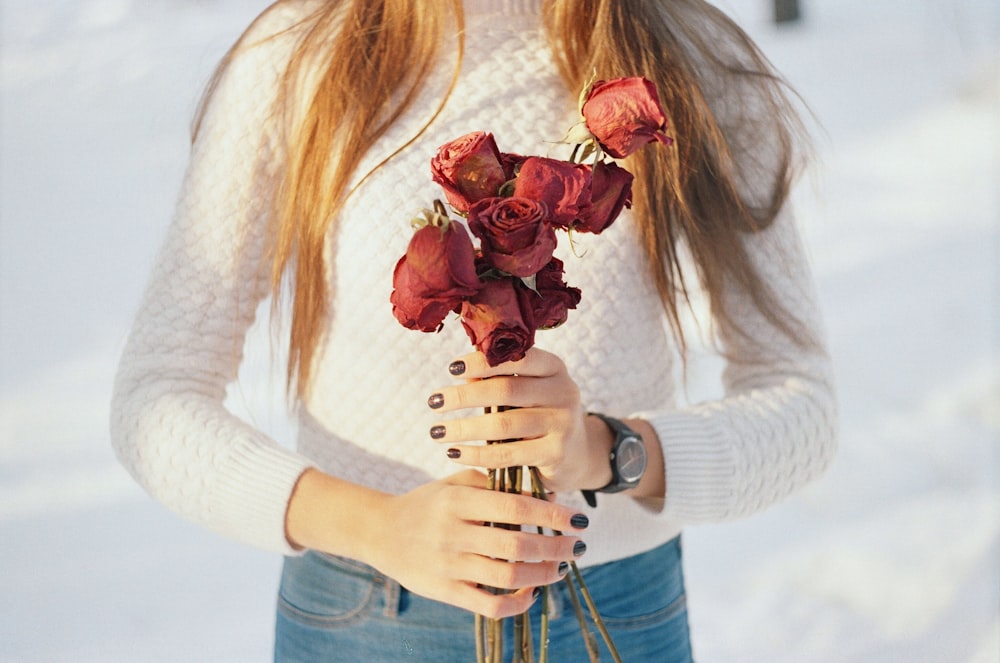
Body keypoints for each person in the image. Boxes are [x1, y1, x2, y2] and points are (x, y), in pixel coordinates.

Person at [110, 0, 837, 660]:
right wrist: (376, 526)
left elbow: (802, 403)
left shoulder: (690, 55)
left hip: (614, 613)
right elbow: (156, 396)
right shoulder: (300, 55)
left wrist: (605, 450)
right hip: (363, 617)